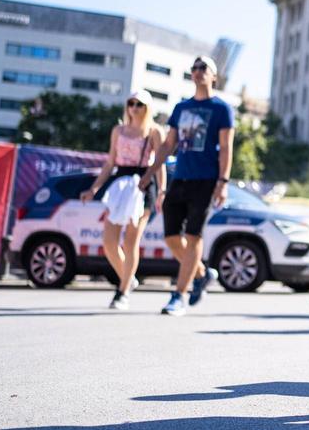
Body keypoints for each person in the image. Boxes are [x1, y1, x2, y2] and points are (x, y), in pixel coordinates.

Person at [140, 55, 234, 317]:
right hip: (180, 178)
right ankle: (202, 274)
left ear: (213, 76)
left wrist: (223, 182)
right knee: (171, 238)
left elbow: (226, 148)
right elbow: (169, 144)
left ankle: (179, 295)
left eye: (203, 68)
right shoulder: (182, 108)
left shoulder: (221, 109)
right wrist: (149, 174)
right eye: (194, 68)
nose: (197, 71)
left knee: (193, 237)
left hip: (205, 180)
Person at [80, 89, 165, 310]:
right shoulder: (118, 130)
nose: (134, 108)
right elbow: (110, 163)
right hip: (119, 184)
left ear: (147, 108)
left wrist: (162, 192)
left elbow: (160, 165)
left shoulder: (154, 131)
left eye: (139, 104)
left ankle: (123, 291)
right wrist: (94, 189)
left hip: (143, 185)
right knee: (109, 242)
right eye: (131, 103)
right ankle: (128, 276)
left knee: (130, 242)